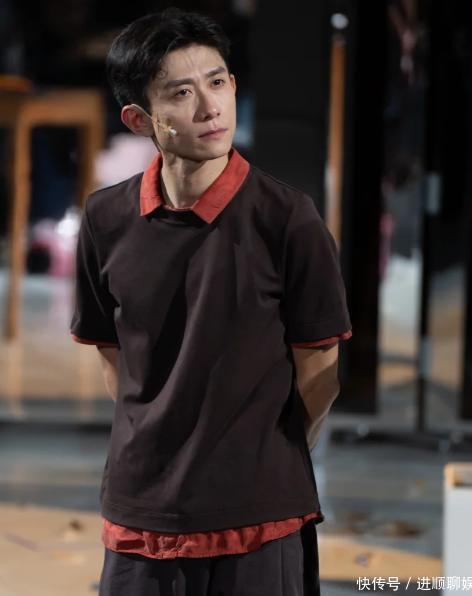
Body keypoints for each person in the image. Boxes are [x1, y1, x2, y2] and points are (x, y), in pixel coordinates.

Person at [70, 7, 352, 595]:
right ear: (139, 118)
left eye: (218, 82)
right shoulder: (105, 218)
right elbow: (114, 356)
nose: (210, 107)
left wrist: (264, 455)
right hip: (142, 511)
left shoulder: (287, 219)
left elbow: (320, 371)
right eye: (181, 92)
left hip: (260, 513)